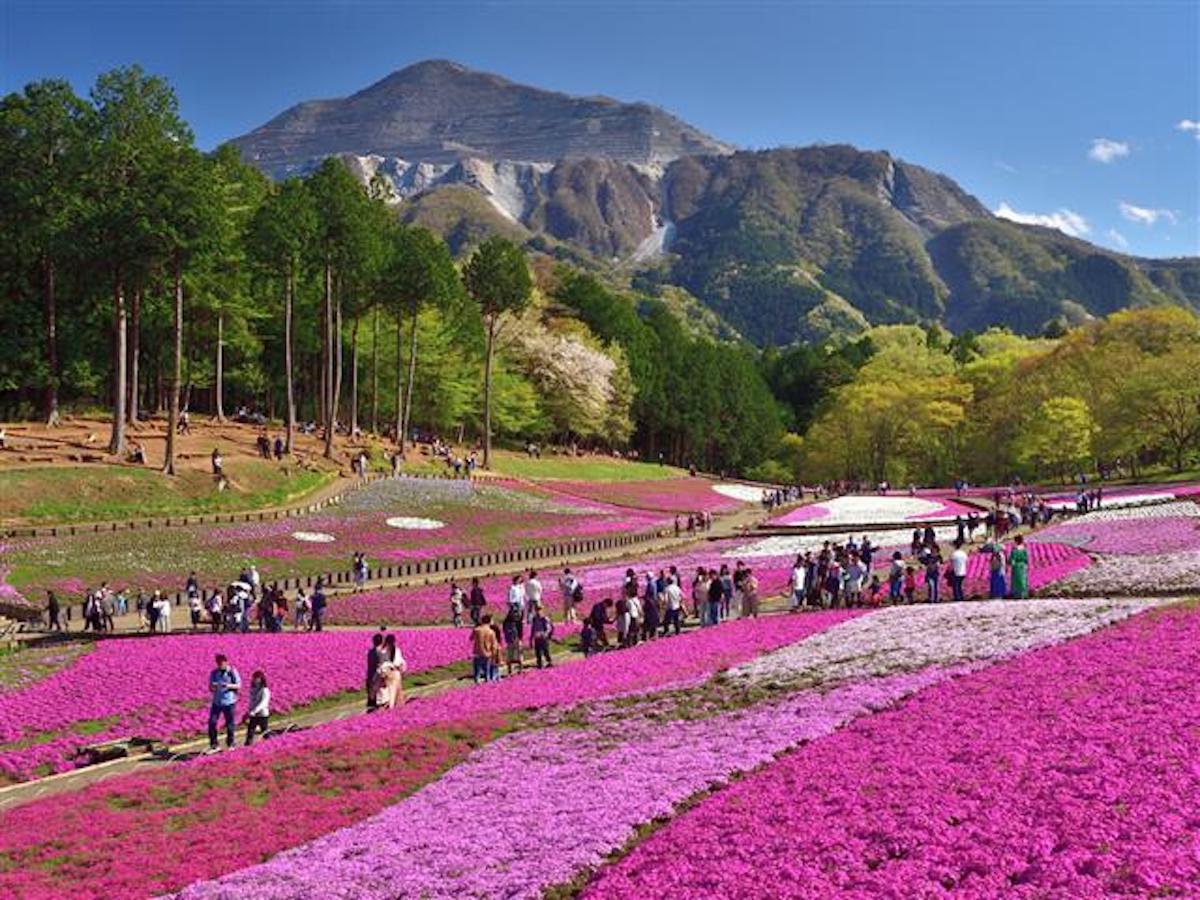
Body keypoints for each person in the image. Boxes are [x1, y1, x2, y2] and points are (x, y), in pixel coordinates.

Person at [207, 654, 241, 752]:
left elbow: (238, 685)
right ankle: (214, 745)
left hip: (229, 702)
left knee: (230, 724)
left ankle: (231, 744)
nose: (220, 665)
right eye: (218, 664)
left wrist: (227, 685)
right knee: (212, 723)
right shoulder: (214, 673)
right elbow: (210, 688)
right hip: (217, 702)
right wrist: (213, 686)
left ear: (226, 662)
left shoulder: (232, 672)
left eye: (222, 663)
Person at [376, 635, 406, 709]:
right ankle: (391, 706)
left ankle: (384, 704)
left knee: (384, 689)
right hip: (393, 672)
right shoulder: (396, 650)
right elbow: (399, 662)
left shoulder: (381, 650)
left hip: (384, 672)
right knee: (394, 691)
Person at [471, 614, 500, 684]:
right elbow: (494, 645)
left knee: (477, 670)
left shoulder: (476, 630)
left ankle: (477, 681)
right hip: (487, 653)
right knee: (487, 670)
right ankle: (487, 682)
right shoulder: (491, 632)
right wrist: (494, 654)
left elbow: (471, 638)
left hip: (477, 652)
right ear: (489, 621)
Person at [243, 671, 270, 745]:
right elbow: (251, 701)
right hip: (253, 714)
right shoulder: (253, 689)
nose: (255, 680)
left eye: (257, 678)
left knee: (265, 731)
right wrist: (249, 711)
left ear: (261, 679)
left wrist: (254, 711)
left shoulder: (265, 690)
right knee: (250, 731)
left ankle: (270, 744)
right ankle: (248, 745)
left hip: (262, 714)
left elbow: (263, 703)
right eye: (254, 678)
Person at [529, 603, 555, 668]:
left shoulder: (545, 618)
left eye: (539, 609)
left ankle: (549, 662)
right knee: (538, 651)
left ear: (542, 610)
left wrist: (544, 634)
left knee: (546, 650)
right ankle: (540, 663)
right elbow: (533, 628)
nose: (538, 611)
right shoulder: (534, 619)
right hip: (537, 638)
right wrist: (531, 638)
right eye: (537, 609)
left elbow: (548, 628)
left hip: (543, 638)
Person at [502, 607, 524, 675]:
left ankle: (516, 670)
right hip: (513, 640)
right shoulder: (510, 622)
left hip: (513, 640)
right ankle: (514, 670)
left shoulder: (508, 622)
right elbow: (520, 631)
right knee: (513, 655)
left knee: (514, 655)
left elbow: (520, 631)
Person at [1008, 534, 1030, 599]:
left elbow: (1012, 559)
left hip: (1016, 566)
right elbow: (1026, 559)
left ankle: (1017, 594)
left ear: (1016, 541)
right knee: (1023, 580)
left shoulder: (1015, 549)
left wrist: (1010, 563)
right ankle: (1023, 594)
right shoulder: (1024, 549)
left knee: (1016, 581)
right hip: (1023, 566)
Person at [366, 633, 384, 710]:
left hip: (370, 675)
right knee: (379, 697)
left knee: (372, 696)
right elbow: (381, 665)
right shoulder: (381, 653)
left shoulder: (370, 652)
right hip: (377, 676)